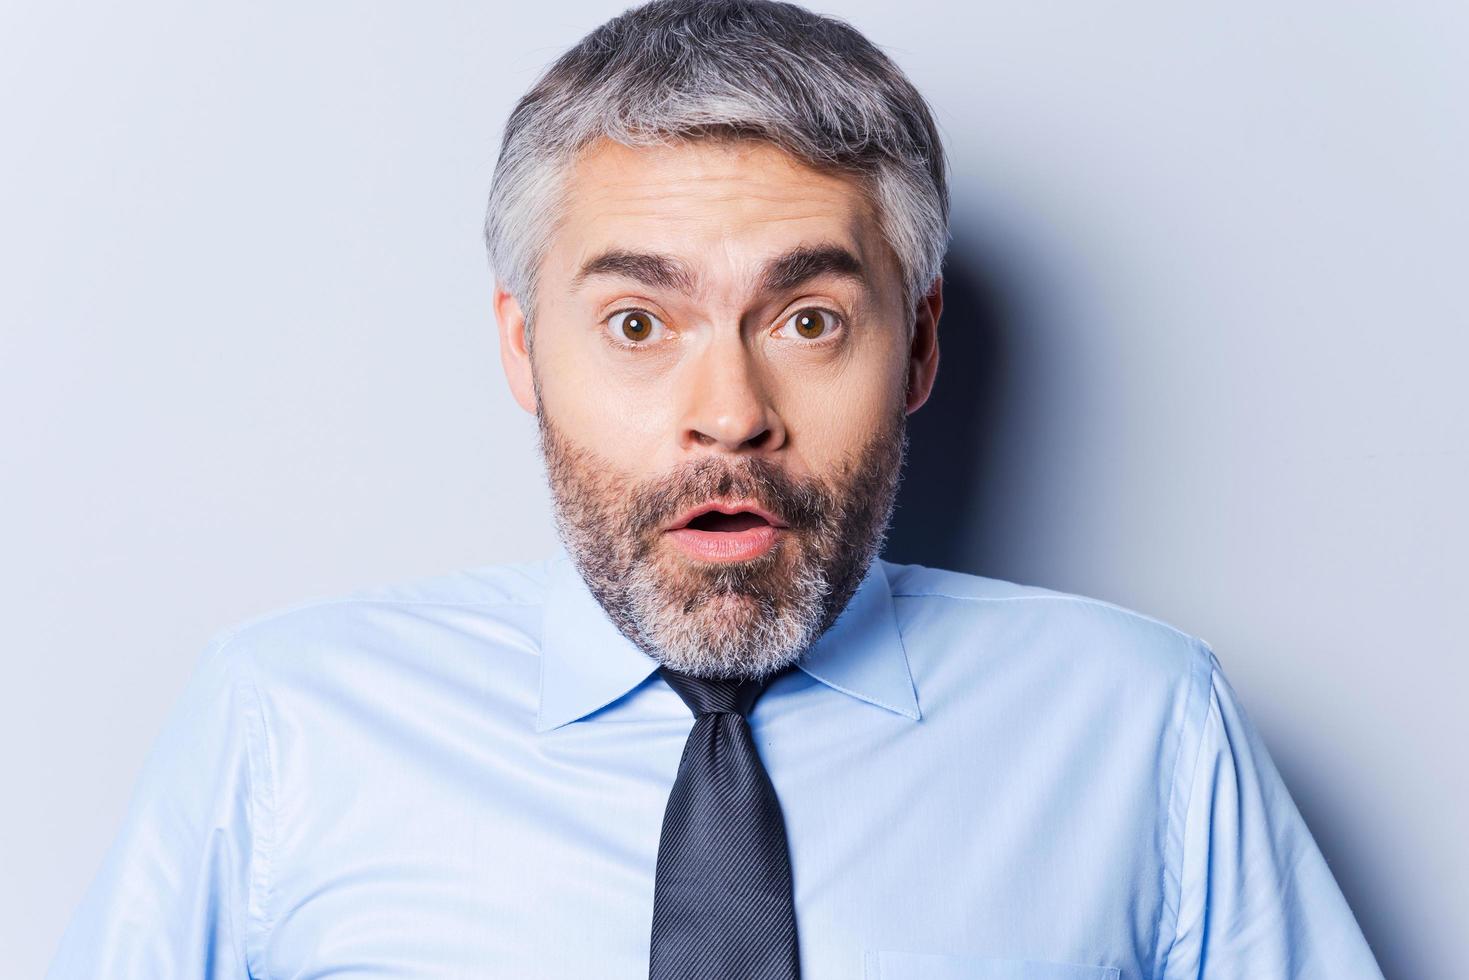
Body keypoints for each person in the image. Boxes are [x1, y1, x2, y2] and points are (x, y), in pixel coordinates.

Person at [46, 1, 1385, 977]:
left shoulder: (1138, 725)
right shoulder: (286, 727)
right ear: (524, 348)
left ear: (913, 348)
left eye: (807, 321)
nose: (730, 414)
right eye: (639, 324)